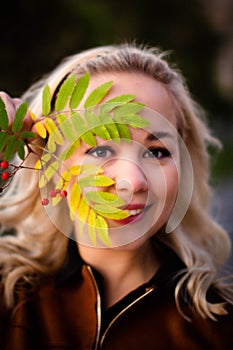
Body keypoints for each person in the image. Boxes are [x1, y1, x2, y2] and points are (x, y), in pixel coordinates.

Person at [0, 43, 233, 350]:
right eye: (100, 150)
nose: (133, 181)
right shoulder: (9, 296)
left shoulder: (218, 331)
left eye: (156, 151)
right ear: (52, 163)